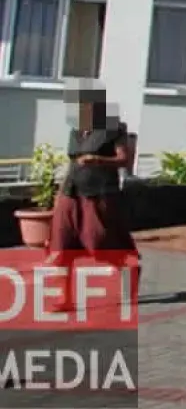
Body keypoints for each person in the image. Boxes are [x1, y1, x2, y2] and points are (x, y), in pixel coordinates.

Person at [51, 88, 140, 300]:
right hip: (71, 192)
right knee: (61, 244)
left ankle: (129, 268)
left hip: (99, 193)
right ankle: (64, 296)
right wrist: (59, 195)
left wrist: (97, 160)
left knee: (99, 243)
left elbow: (124, 160)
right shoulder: (75, 130)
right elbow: (72, 163)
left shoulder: (113, 128)